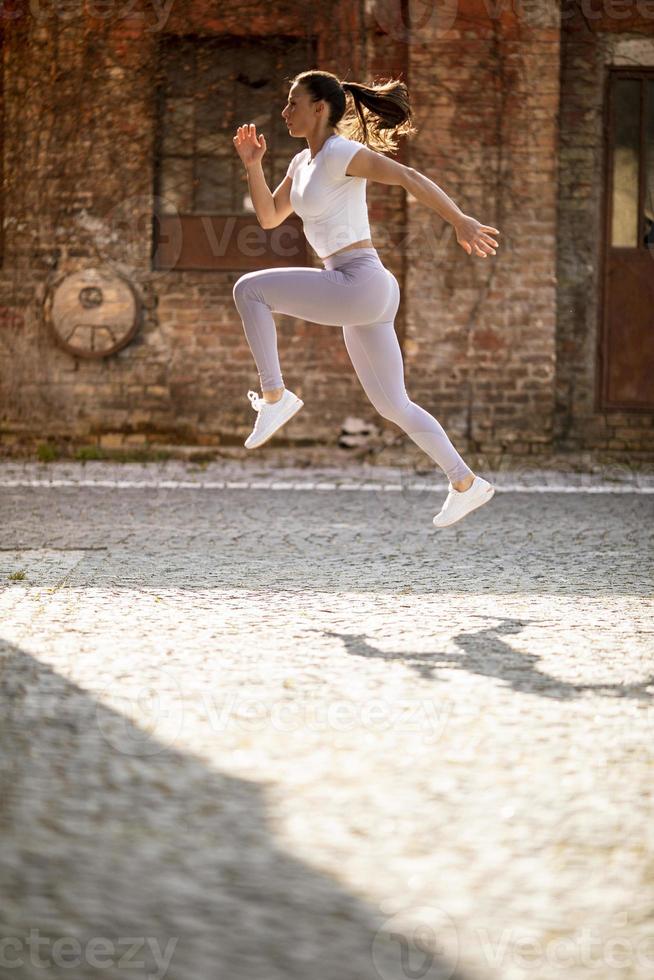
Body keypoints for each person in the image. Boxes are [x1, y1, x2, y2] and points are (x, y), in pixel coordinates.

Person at [232, 69, 500, 528]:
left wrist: (459, 220)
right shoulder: (301, 164)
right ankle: (465, 482)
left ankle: (275, 395)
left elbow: (408, 176)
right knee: (393, 405)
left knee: (249, 289)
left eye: (293, 103)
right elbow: (271, 216)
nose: (284, 111)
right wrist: (253, 165)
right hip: (364, 289)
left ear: (320, 109)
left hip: (359, 282)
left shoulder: (342, 153)